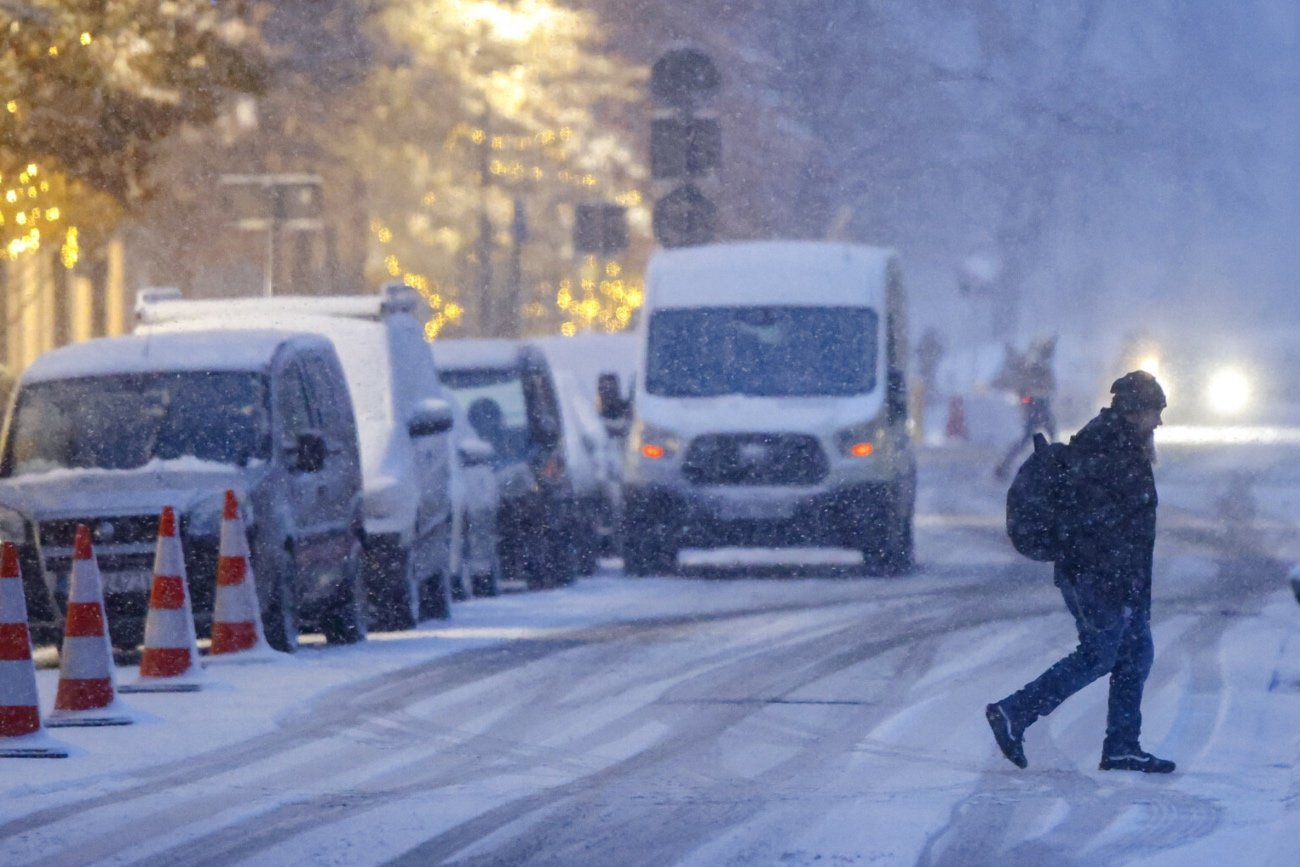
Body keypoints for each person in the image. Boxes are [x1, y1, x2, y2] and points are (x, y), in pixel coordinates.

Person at [985, 370, 1174, 773]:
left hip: (1120, 577)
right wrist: (1114, 581)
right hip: (1098, 577)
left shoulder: (1122, 445)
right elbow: (1095, 524)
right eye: (1155, 412)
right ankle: (1013, 712)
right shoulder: (1107, 449)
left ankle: (1123, 746)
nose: (1159, 422)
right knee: (1099, 654)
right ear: (1134, 411)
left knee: (1135, 653)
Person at [993, 337, 1058, 480]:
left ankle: (1054, 469)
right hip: (1035, 406)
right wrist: (1029, 401)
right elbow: (1026, 389)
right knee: (1030, 437)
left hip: (1039, 405)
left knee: (1046, 435)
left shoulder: (1040, 364)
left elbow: (1049, 387)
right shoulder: (1034, 364)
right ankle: (1003, 466)